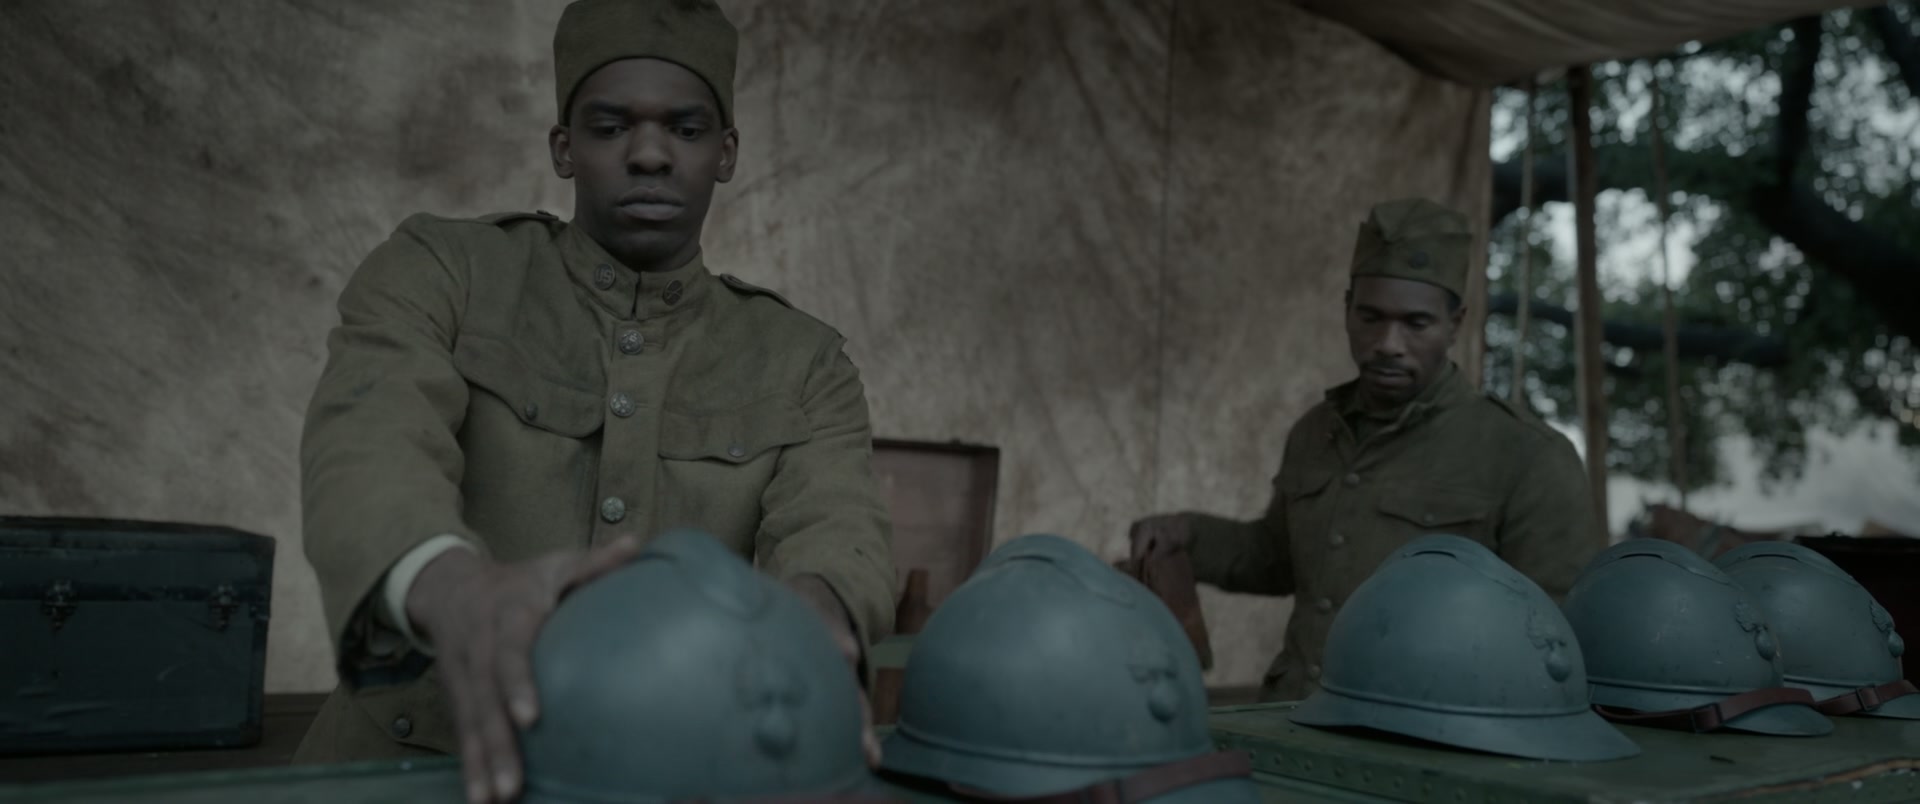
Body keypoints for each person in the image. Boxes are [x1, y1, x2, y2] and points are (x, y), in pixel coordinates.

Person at [290, 2, 895, 802]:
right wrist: (452, 588)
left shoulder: (806, 362)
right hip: (406, 767)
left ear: (726, 152)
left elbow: (838, 525)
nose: (648, 154)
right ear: (563, 147)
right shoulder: (443, 271)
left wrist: (817, 622)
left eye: (686, 128)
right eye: (610, 127)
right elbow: (368, 441)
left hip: (666, 778)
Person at [1127, 197, 1605, 704]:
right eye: (1370, 317)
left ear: (1455, 324)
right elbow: (1278, 558)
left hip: (1420, 731)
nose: (1388, 343)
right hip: (1294, 716)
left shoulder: (1527, 455)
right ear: (1346, 309)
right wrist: (1188, 534)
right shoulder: (1316, 432)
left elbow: (1555, 643)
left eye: (1416, 323)